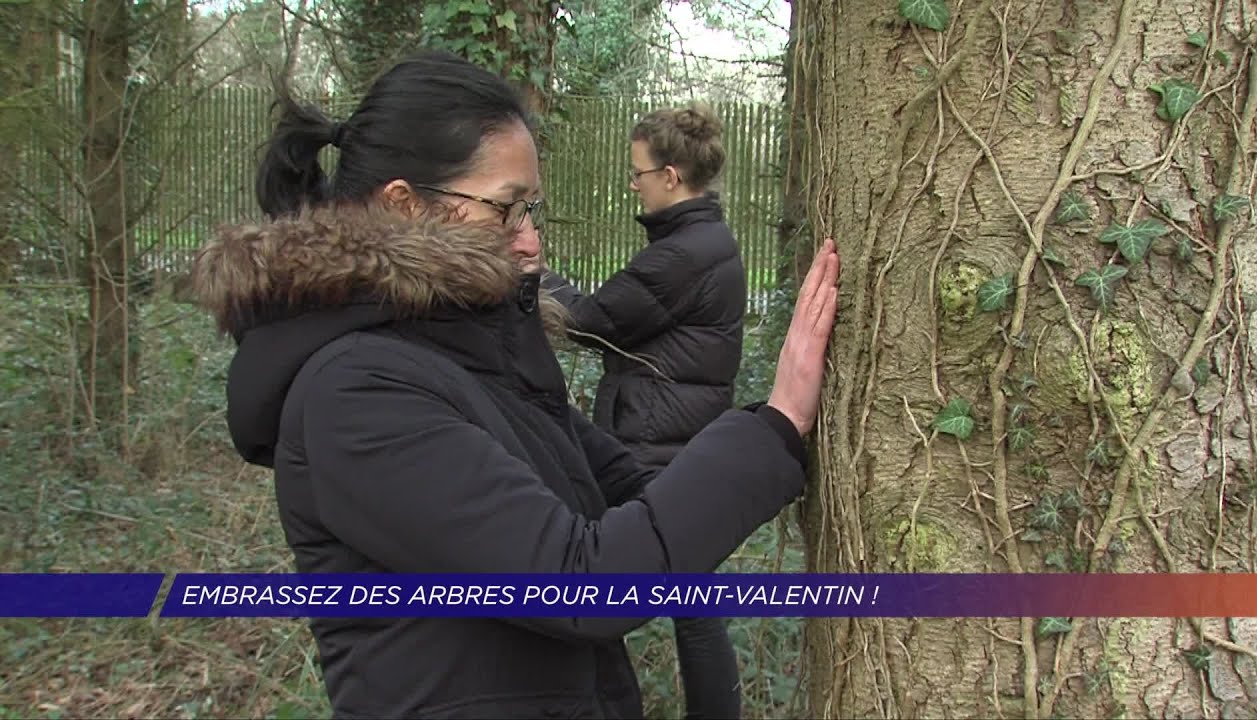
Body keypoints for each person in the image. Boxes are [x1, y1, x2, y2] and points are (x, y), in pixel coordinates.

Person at [191, 49, 840, 720]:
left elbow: (634, 497)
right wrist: (777, 423)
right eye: (505, 209)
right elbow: (582, 584)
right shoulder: (355, 394)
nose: (529, 243)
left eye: (531, 209)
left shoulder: (475, 363)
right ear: (405, 205)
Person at [540, 103, 748, 719]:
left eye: (638, 173)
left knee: (598, 593)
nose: (633, 184)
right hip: (679, 440)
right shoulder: (704, 242)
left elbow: (594, 321)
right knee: (692, 603)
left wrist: (528, 273)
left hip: (659, 446)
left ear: (672, 176)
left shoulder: (683, 254)